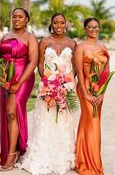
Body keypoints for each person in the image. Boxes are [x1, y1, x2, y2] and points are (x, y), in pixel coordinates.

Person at [19, 13, 77, 175]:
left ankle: (63, 156)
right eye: (56, 22)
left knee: (63, 121)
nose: (59, 25)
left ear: (66, 24)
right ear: (51, 24)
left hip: (66, 88)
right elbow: (39, 64)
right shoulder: (44, 42)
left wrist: (66, 85)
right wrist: (48, 82)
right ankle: (43, 156)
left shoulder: (72, 44)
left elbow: (75, 68)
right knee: (46, 119)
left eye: (62, 23)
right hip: (47, 87)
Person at [0, 7, 38, 171]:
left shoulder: (30, 38)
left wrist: (19, 82)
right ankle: (12, 149)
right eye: (14, 16)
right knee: (9, 114)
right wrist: (2, 77)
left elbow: (33, 62)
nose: (16, 19)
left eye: (20, 17)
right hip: (7, 77)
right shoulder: (6, 36)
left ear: (26, 19)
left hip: (24, 76)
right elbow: (0, 59)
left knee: (12, 112)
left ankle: (13, 152)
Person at [74, 17, 110, 175]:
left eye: (96, 27)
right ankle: (92, 165)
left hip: (99, 90)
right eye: (90, 27)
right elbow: (80, 73)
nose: (94, 30)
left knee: (88, 123)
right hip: (85, 88)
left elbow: (106, 72)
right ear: (85, 29)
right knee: (93, 124)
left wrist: (102, 93)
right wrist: (85, 93)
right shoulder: (81, 47)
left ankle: (82, 157)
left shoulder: (103, 47)